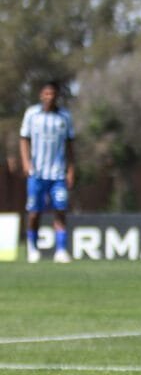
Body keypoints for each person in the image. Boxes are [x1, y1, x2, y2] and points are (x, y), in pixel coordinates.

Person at [20, 81, 75, 263]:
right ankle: (32, 248)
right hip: (37, 173)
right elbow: (24, 139)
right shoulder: (32, 114)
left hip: (58, 174)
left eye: (52, 94)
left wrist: (71, 170)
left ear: (57, 95)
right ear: (41, 95)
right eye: (46, 94)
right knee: (34, 212)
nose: (49, 97)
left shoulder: (64, 117)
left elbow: (70, 145)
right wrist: (26, 163)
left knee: (60, 210)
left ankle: (60, 251)